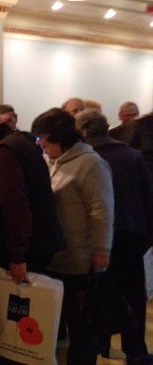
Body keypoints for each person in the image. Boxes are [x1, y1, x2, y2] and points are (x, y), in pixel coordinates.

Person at [0, 109, 65, 364]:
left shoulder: (3, 152)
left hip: (24, 251)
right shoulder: (23, 143)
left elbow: (15, 205)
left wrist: (17, 254)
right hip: (38, 245)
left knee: (18, 320)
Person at [31, 107, 114, 365]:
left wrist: (101, 251)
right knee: (60, 323)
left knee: (82, 326)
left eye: (43, 137)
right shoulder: (51, 161)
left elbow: (101, 209)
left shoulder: (90, 163)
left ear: (60, 136)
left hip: (81, 260)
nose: (40, 143)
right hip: (56, 258)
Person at [75, 108, 153, 365]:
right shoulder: (132, 156)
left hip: (93, 236)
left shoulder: (83, 158)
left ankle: (102, 344)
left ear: (83, 130)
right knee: (133, 295)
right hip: (130, 234)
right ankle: (136, 351)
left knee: (98, 294)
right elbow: (147, 198)